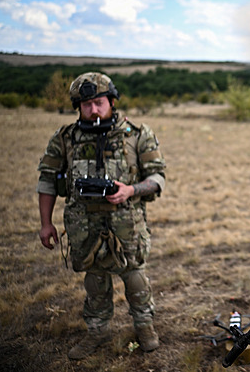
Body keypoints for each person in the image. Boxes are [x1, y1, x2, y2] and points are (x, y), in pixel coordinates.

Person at [37, 72, 166, 360]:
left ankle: (145, 327)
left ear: (111, 101)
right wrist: (46, 224)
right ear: (78, 107)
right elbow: (47, 181)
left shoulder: (137, 134)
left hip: (126, 224)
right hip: (84, 227)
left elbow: (158, 177)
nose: (93, 109)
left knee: (135, 278)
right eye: (86, 104)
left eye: (99, 102)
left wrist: (131, 189)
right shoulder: (65, 138)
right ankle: (96, 332)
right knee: (95, 282)